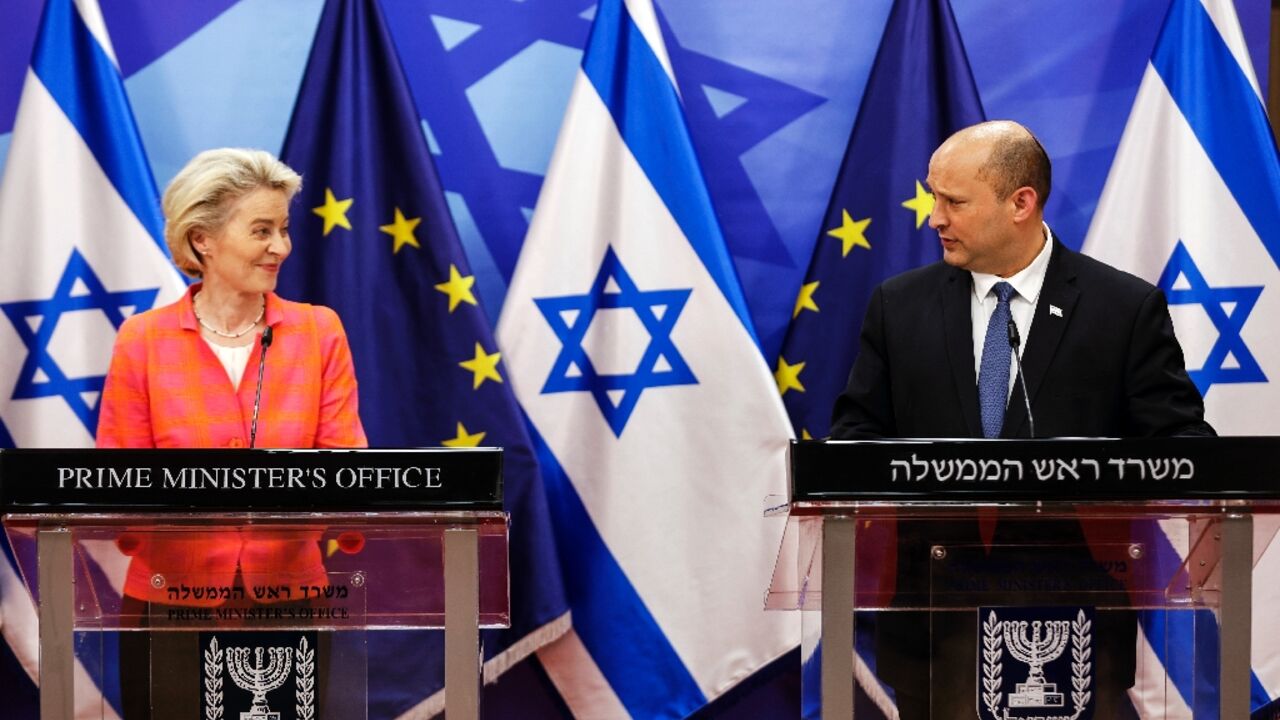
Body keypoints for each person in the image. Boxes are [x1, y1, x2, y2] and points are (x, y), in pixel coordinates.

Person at [829, 121, 1213, 717]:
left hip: (1075, 621)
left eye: (952, 201)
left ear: (1021, 203)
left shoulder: (1122, 309)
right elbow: (854, 444)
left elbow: (1186, 448)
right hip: (932, 625)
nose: (935, 218)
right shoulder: (898, 307)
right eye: (934, 197)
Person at [97, 148, 366, 717]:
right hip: (170, 600)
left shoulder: (319, 333)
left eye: (284, 229)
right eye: (262, 230)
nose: (281, 247)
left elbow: (347, 465)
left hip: (290, 596)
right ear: (203, 240)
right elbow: (117, 481)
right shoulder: (142, 341)